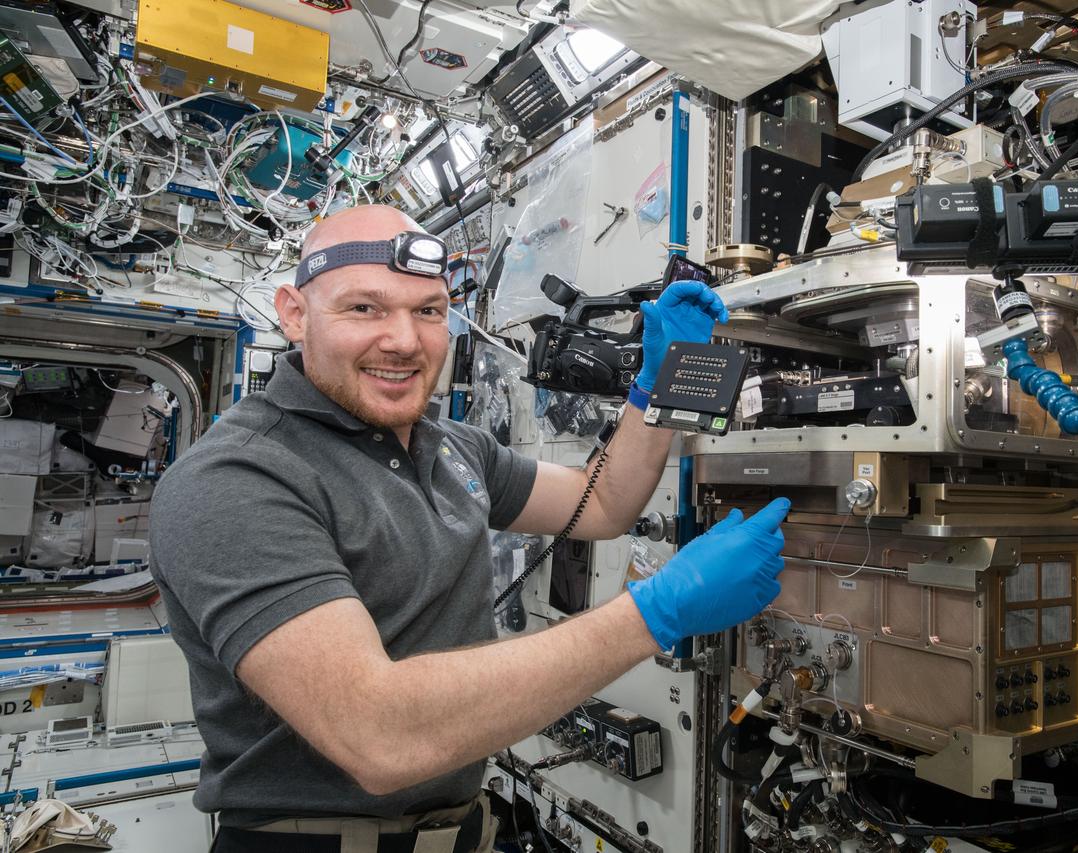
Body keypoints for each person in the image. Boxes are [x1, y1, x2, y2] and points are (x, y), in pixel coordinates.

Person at [149, 205, 790, 853]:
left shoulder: (452, 447)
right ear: (293, 312)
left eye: (427, 310)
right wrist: (657, 611)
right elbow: (381, 734)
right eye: (365, 308)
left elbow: (600, 505)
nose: (403, 339)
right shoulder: (238, 479)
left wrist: (656, 386)